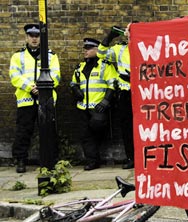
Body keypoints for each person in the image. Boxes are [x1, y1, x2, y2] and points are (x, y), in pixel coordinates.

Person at [9, 24, 61, 173]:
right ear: (26, 37)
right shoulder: (17, 56)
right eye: (31, 36)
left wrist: (42, 88)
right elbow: (14, 76)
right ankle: (20, 160)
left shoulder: (51, 56)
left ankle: (51, 160)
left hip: (46, 100)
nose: (34, 38)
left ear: (41, 38)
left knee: (49, 131)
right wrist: (30, 87)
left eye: (37, 36)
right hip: (26, 99)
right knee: (23, 132)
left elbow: (56, 75)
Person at [70, 38, 117, 171]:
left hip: (98, 107)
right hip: (83, 106)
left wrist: (106, 101)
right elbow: (73, 82)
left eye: (89, 48)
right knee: (85, 135)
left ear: (97, 50)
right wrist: (75, 89)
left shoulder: (105, 65)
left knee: (98, 131)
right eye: (84, 48)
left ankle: (96, 157)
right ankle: (92, 161)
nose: (85, 50)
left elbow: (113, 83)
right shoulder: (80, 67)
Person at [98, 23, 135, 169]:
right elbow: (101, 53)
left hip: (144, 93)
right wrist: (110, 37)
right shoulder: (120, 48)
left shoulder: (149, 46)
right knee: (127, 127)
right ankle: (131, 157)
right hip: (125, 92)